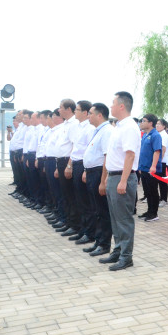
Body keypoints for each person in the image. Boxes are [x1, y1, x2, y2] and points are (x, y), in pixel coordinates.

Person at [99, 91, 141, 271]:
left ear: (122, 106)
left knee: (123, 220)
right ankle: (117, 251)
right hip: (113, 176)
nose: (111, 106)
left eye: (113, 103)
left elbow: (130, 155)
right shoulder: (118, 126)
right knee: (115, 218)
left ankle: (126, 257)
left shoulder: (130, 127)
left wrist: (123, 181)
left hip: (122, 177)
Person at [81, 103, 114, 257]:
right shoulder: (98, 130)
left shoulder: (107, 131)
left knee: (102, 211)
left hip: (99, 173)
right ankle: (98, 240)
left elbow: (107, 157)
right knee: (96, 210)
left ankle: (104, 244)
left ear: (99, 115)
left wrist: (103, 180)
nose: (88, 116)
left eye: (91, 113)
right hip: (92, 172)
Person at [67, 101, 96, 243]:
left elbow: (89, 151)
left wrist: (85, 170)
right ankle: (82, 229)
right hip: (76, 163)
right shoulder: (77, 127)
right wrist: (70, 165)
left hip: (83, 164)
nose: (75, 112)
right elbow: (75, 148)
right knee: (78, 200)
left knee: (85, 201)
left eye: (77, 110)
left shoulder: (90, 128)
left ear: (85, 112)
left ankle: (89, 233)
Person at [53, 99, 81, 236]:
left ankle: (74, 224)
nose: (59, 110)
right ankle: (67, 221)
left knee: (70, 195)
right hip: (61, 161)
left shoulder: (74, 124)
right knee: (65, 194)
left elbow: (75, 146)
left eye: (61, 107)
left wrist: (69, 165)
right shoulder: (65, 124)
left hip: (67, 162)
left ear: (68, 109)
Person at [138, 114, 162, 222]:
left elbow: (157, 151)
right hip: (144, 167)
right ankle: (149, 211)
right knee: (147, 191)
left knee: (153, 191)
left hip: (151, 168)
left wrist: (153, 166)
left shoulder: (155, 135)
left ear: (150, 123)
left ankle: (154, 213)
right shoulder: (145, 134)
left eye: (144, 121)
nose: (142, 123)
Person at [156, 119, 168, 207]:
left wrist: (159, 160)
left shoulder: (164, 135)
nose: (157, 125)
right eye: (156, 124)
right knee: (159, 181)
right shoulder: (159, 134)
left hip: (162, 161)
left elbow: (163, 149)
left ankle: (164, 199)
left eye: (159, 124)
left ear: (164, 126)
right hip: (159, 161)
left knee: (162, 181)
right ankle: (160, 198)